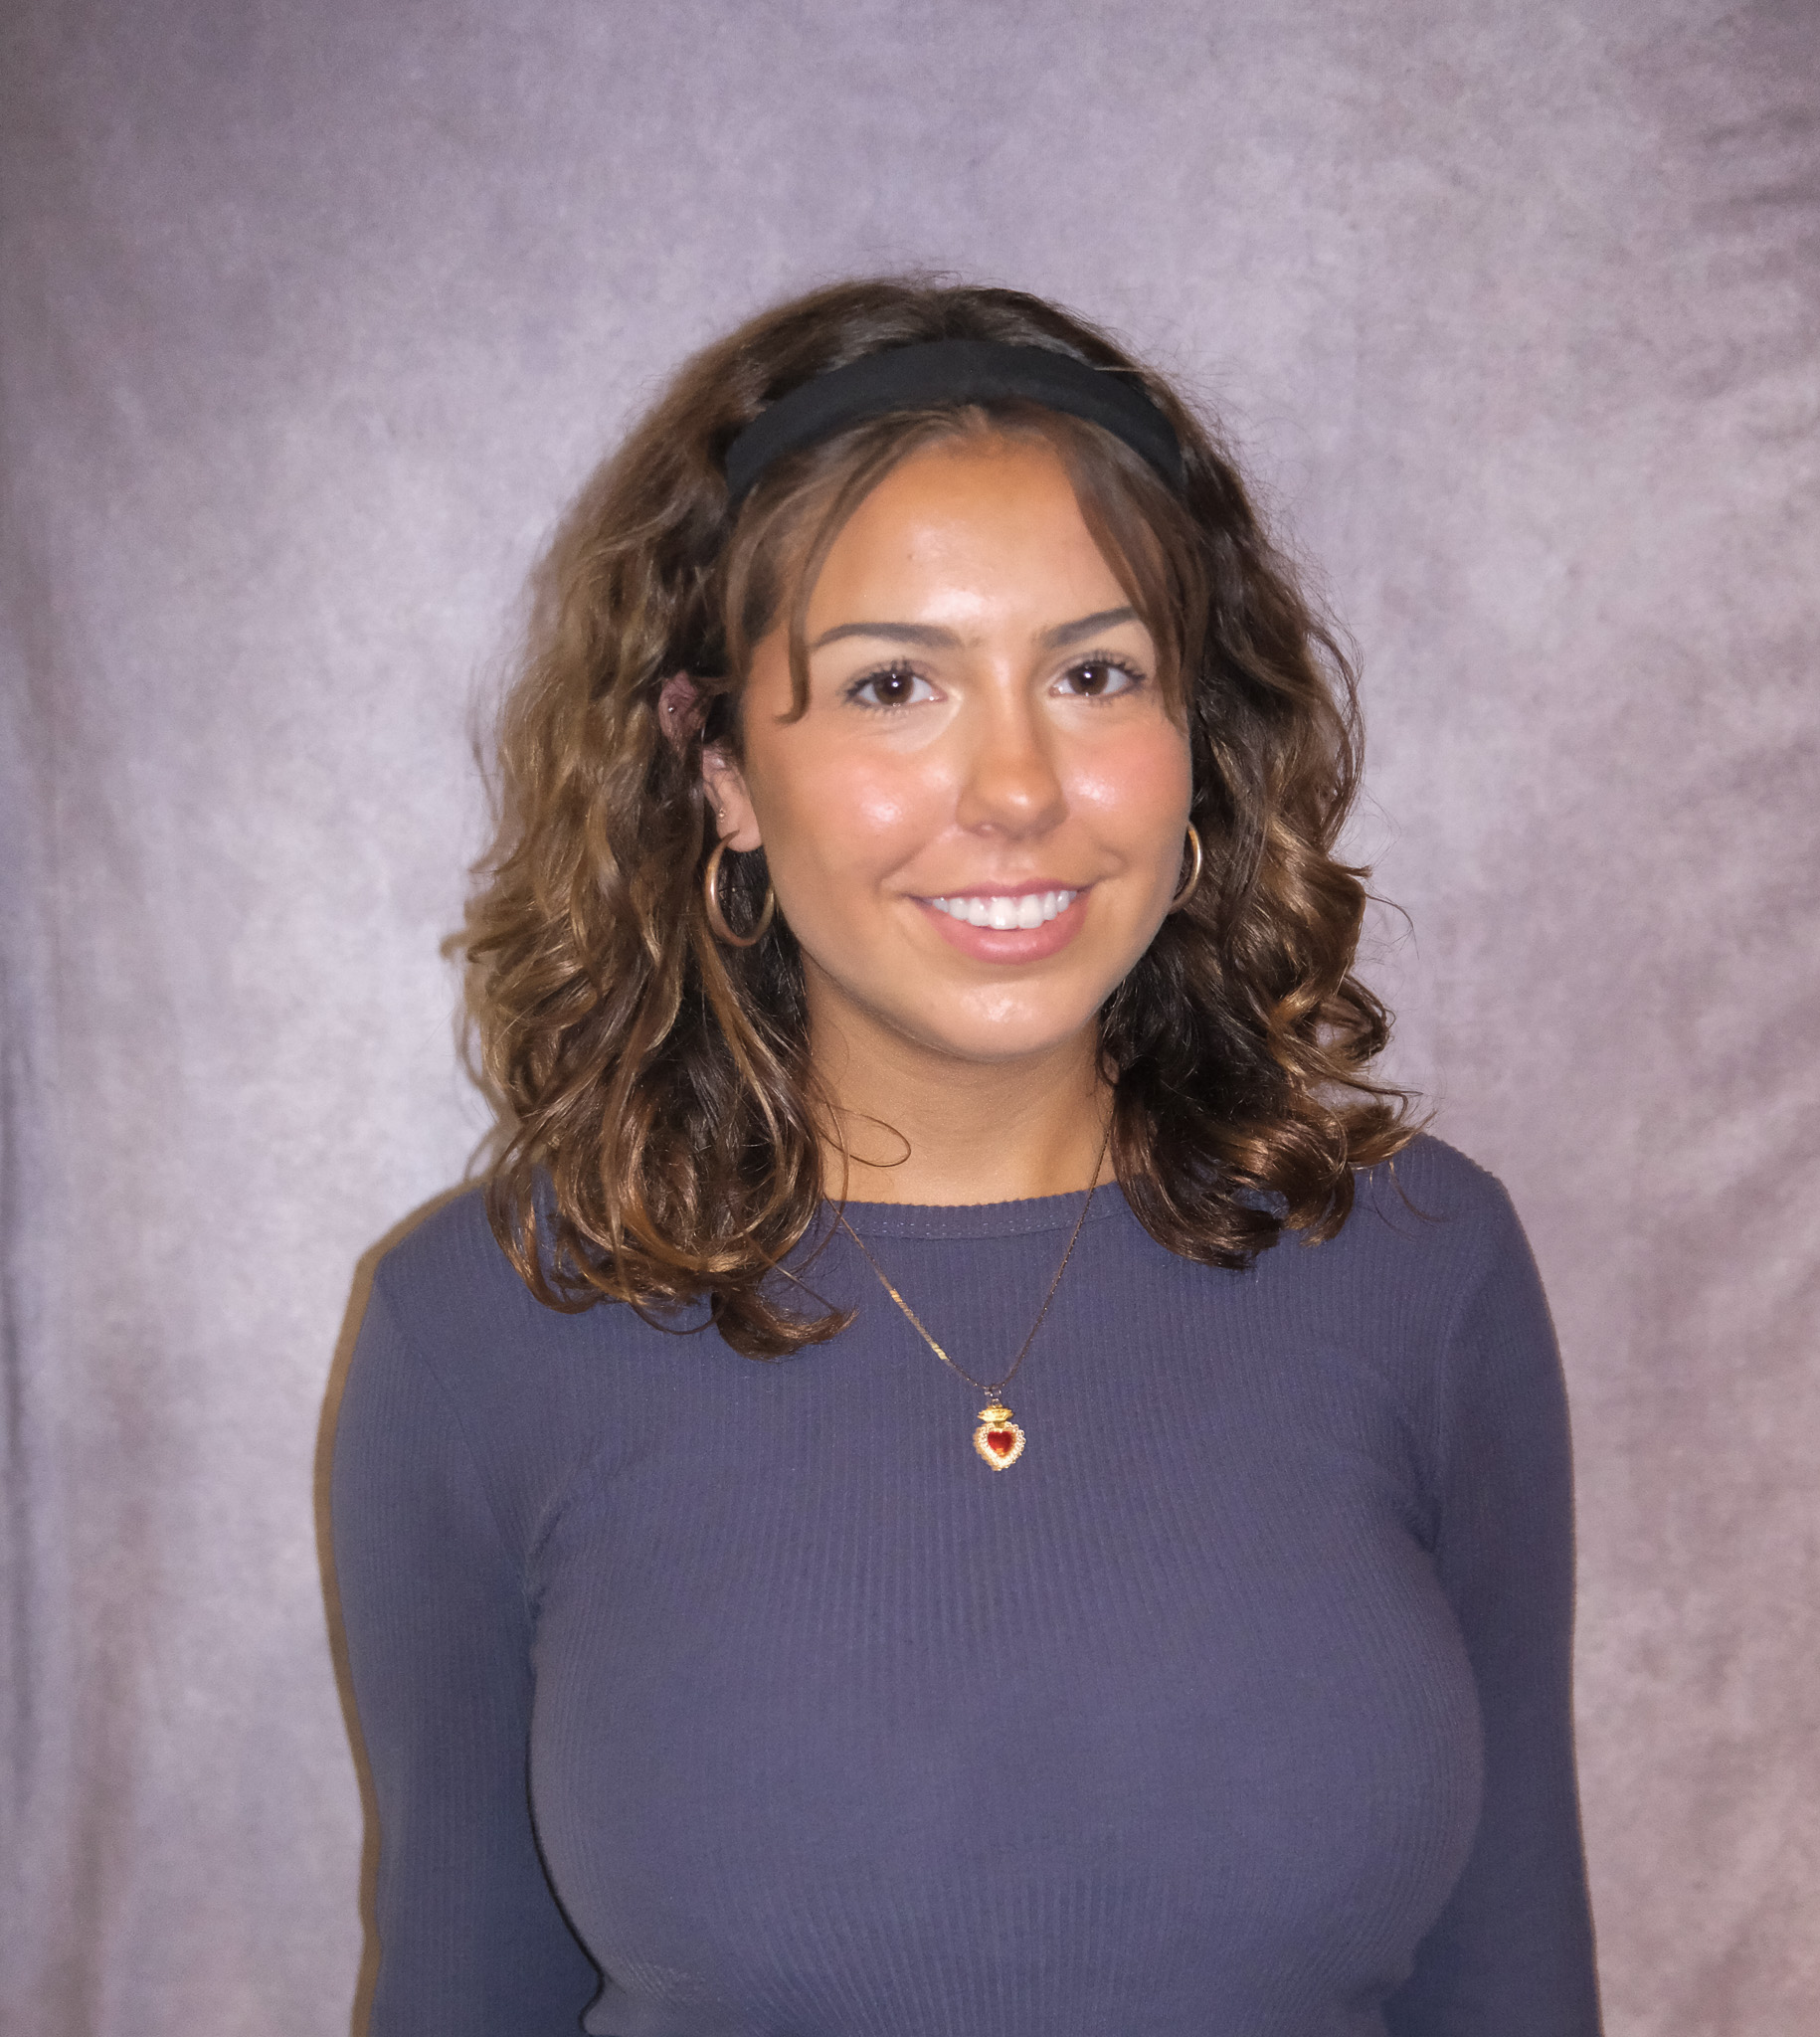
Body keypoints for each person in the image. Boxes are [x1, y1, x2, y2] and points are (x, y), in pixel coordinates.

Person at [329, 278, 1601, 2037]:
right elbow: (462, 1995)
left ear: (1195, 751)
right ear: (719, 770)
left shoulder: (1418, 1265)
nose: (1015, 788)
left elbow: (1513, 1973)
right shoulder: (479, 1330)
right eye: (890, 686)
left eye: (1093, 673)